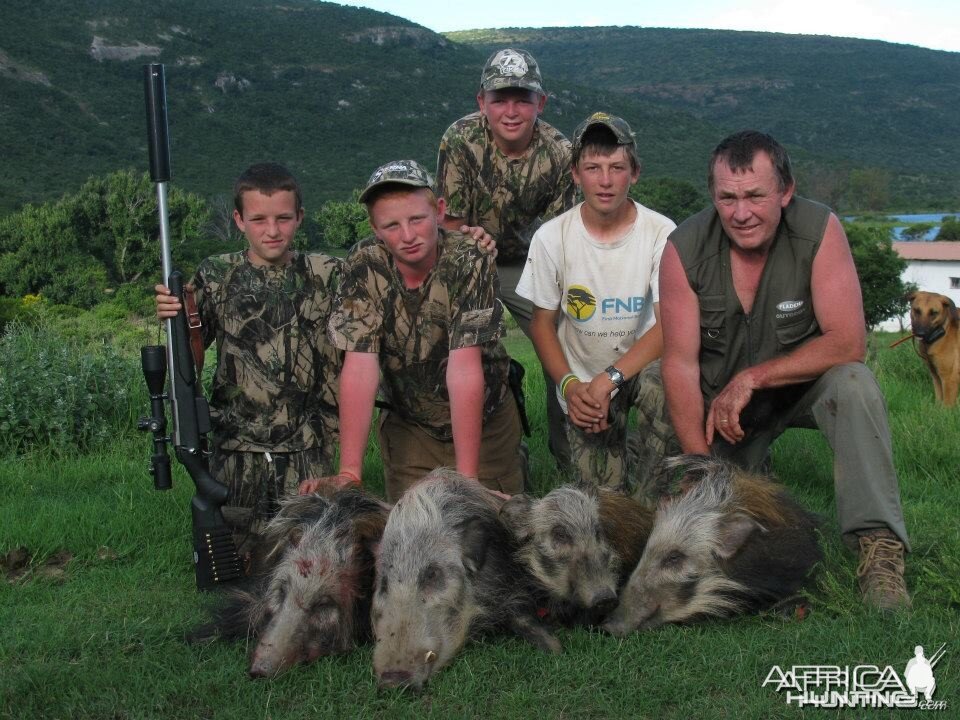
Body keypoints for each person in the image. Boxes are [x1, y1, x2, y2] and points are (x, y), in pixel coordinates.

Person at [659, 130, 910, 609]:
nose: (740, 212)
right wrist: (699, 466)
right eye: (727, 198)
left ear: (786, 191)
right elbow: (679, 362)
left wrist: (754, 377)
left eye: (755, 195)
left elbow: (848, 341)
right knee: (717, 536)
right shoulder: (682, 248)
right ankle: (731, 482)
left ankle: (878, 548)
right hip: (724, 408)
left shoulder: (820, 230)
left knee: (854, 383)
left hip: (799, 388)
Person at [300, 160, 526, 502]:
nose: (407, 236)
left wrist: (467, 480)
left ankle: (509, 464)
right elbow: (361, 366)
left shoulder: (470, 258)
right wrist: (350, 470)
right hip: (412, 426)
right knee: (415, 534)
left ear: (438, 211)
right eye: (391, 225)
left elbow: (464, 368)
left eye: (417, 220)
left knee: (490, 526)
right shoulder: (365, 264)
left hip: (485, 421)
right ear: (375, 229)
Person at [155, 163, 342, 559]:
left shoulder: (328, 273)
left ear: (300, 218)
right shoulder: (215, 275)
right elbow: (189, 357)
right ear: (239, 220)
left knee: (310, 562)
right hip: (237, 445)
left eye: (283, 218)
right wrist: (175, 315)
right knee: (237, 562)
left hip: (310, 446)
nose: (272, 230)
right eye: (258, 219)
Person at [516, 112, 677, 497]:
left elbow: (668, 323)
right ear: (576, 174)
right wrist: (572, 386)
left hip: (638, 367)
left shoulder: (661, 232)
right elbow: (542, 323)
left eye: (616, 168)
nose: (605, 181)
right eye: (593, 167)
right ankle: (617, 473)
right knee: (602, 499)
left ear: (634, 173)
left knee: (666, 385)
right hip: (584, 377)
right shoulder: (552, 237)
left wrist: (612, 379)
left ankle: (656, 495)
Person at [436, 47, 576, 468]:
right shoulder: (459, 139)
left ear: (541, 103)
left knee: (565, 348)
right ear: (482, 102)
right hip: (470, 256)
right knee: (460, 349)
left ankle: (571, 458)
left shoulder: (560, 152)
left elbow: (561, 236)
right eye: (500, 99)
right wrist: (469, 238)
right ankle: (483, 458)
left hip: (535, 262)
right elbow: (450, 223)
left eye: (522, 99)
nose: (511, 110)